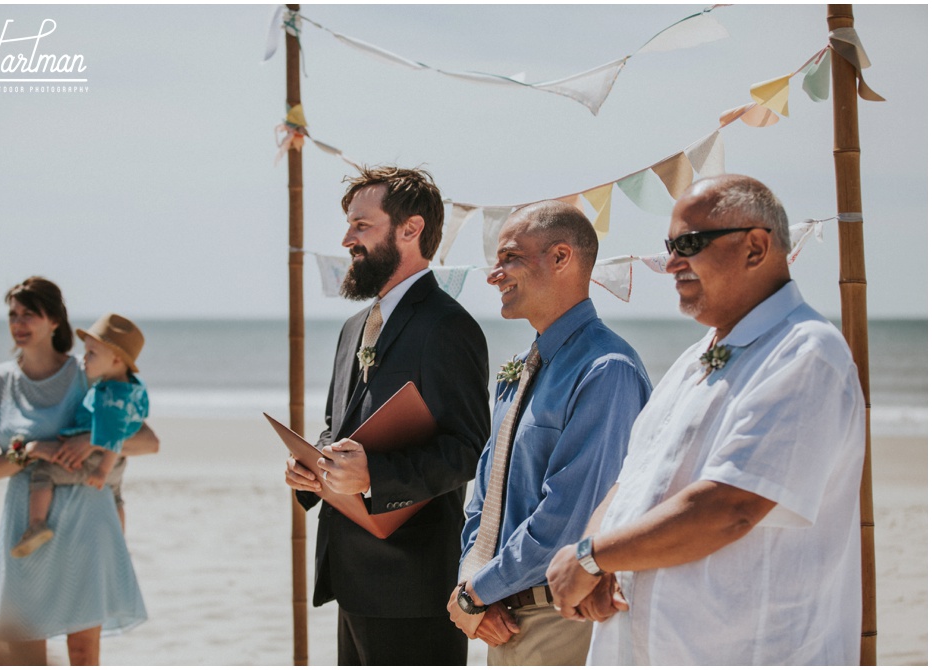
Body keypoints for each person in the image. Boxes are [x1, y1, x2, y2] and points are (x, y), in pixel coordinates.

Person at [546, 175, 866, 665]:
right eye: (670, 246)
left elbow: (729, 505)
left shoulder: (805, 353)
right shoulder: (695, 357)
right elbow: (630, 481)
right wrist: (594, 556)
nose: (672, 263)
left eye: (690, 244)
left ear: (756, 247)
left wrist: (591, 558)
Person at [284, 166, 490, 665]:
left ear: (410, 229)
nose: (347, 238)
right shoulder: (354, 326)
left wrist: (375, 475)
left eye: (361, 225)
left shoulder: (447, 326)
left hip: (414, 587)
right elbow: (341, 425)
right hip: (350, 577)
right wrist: (312, 468)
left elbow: (469, 450)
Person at [445, 200, 652, 665]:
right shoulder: (518, 369)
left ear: (561, 258)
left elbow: (568, 518)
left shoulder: (607, 371)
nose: (494, 275)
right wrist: (471, 583)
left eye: (510, 258)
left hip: (563, 619)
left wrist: (477, 591)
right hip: (500, 615)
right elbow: (485, 492)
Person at [0, 276, 158, 665]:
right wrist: (30, 451)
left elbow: (148, 441)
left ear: (55, 320)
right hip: (26, 525)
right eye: (13, 314)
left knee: (82, 652)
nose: (18, 323)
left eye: (30, 314)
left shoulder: (89, 371)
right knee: (25, 652)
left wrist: (91, 441)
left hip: (85, 520)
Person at [11, 313, 149, 558]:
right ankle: (119, 542)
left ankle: (36, 525)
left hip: (97, 460)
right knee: (115, 496)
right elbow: (133, 425)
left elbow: (114, 434)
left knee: (43, 474)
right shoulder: (133, 388)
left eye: (92, 353)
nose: (85, 357)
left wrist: (101, 470)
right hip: (116, 462)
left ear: (116, 359)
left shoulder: (110, 395)